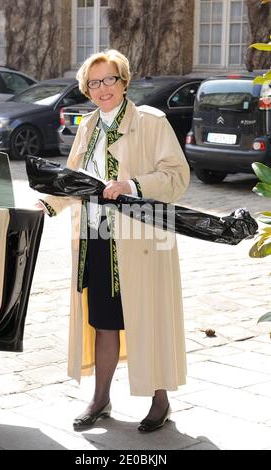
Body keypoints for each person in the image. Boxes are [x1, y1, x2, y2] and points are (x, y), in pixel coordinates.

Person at [38, 49, 190, 432]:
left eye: (110, 79)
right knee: (104, 322)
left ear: (124, 81)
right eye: (94, 82)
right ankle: (100, 399)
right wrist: (46, 204)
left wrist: (132, 185)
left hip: (140, 244)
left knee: (146, 320)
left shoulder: (151, 122)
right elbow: (73, 179)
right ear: (86, 89)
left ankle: (160, 401)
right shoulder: (87, 126)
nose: (103, 88)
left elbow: (177, 176)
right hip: (97, 239)